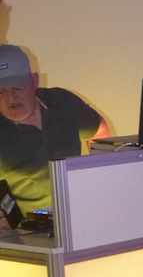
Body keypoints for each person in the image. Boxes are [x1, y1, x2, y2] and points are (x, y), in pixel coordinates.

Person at [0, 44, 108, 224]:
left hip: (79, 217)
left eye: (17, 87)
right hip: (25, 230)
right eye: (1, 91)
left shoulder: (62, 103)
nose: (11, 98)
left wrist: (100, 178)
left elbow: (100, 129)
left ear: (34, 80)